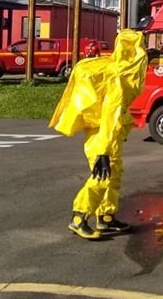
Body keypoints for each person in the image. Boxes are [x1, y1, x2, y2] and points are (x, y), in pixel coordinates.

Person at [49, 29, 149, 240]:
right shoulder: (118, 78)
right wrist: (103, 152)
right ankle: (79, 217)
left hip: (107, 135)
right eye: (143, 47)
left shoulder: (117, 70)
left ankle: (105, 217)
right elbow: (111, 116)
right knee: (102, 176)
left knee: (114, 176)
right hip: (102, 136)